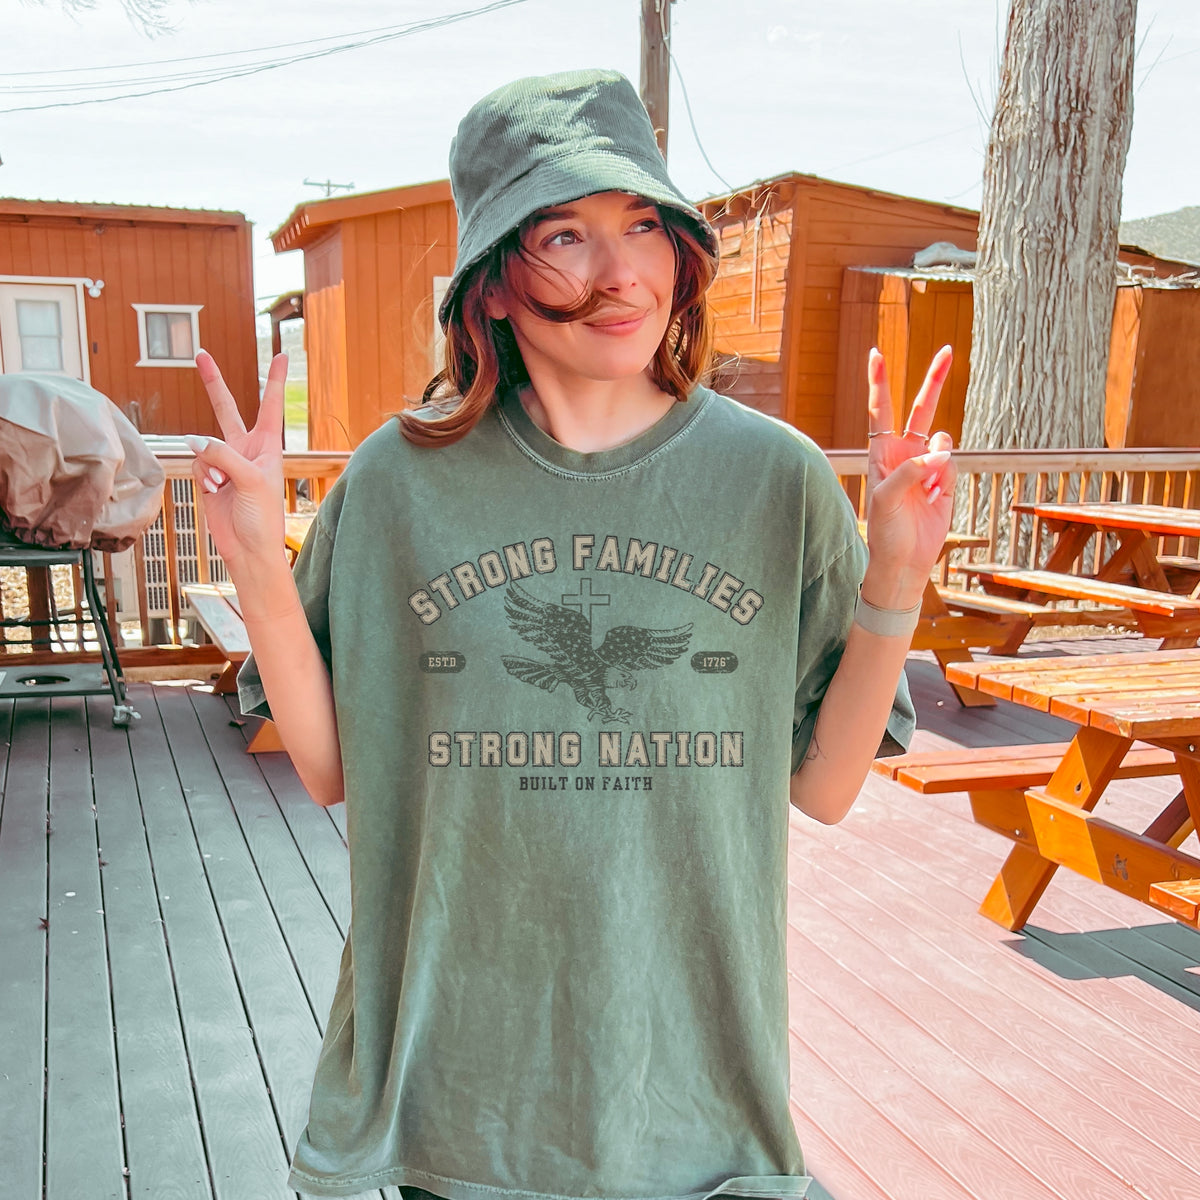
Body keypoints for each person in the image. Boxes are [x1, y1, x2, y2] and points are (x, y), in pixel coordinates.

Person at [186, 68, 955, 1200]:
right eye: (564, 235)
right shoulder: (400, 482)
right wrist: (256, 561)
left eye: (642, 224)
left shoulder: (775, 482)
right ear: (493, 287)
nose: (620, 272)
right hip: (455, 1100)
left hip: (688, 1100)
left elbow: (828, 785)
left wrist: (895, 573)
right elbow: (336, 766)